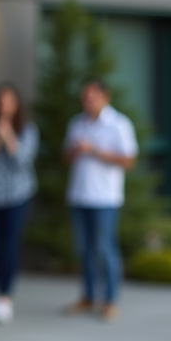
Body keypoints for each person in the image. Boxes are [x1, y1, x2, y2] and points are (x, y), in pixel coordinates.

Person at [63, 79, 138, 322]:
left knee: (105, 249)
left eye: (92, 97)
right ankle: (88, 296)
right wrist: (76, 150)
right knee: (83, 249)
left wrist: (94, 150)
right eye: (84, 97)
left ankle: (110, 300)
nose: (87, 101)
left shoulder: (119, 124)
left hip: (105, 197)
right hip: (79, 195)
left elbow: (129, 161)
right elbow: (66, 158)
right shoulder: (77, 123)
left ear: (105, 98)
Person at [0, 83, 39, 324]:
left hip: (17, 196)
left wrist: (9, 136)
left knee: (10, 244)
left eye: (8, 101)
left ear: (17, 105)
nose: (3, 106)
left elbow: (23, 161)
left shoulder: (27, 129)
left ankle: (6, 296)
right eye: (0, 101)